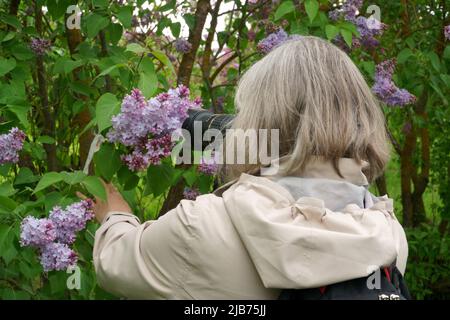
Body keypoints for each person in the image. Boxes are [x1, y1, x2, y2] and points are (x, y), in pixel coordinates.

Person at [86, 37, 408, 299]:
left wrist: (114, 215)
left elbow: (115, 264)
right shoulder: (386, 232)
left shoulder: (201, 226)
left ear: (254, 123)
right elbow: (299, 147)